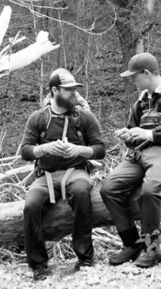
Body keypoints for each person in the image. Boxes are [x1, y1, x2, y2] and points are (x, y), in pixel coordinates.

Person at [100, 53, 161, 268]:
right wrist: (129, 135)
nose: (133, 81)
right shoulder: (141, 102)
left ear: (147, 73)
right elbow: (135, 131)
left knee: (149, 191)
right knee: (108, 189)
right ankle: (131, 243)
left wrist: (149, 134)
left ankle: (151, 247)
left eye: (135, 76)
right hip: (141, 154)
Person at [21, 68, 105, 280]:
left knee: (81, 193)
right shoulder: (38, 118)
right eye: (68, 90)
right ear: (54, 90)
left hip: (76, 172)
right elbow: (25, 151)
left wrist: (80, 150)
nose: (74, 94)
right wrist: (44, 149)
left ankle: (85, 258)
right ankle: (38, 265)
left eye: (75, 89)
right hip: (45, 176)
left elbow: (100, 149)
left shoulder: (84, 117)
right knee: (31, 205)